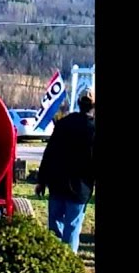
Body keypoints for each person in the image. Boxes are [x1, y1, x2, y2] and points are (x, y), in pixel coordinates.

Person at [35, 90, 95, 253]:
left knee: (54, 226)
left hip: (57, 183)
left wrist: (41, 180)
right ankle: (67, 260)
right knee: (72, 227)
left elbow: (49, 153)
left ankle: (54, 258)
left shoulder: (63, 124)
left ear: (78, 103)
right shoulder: (93, 128)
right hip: (80, 187)